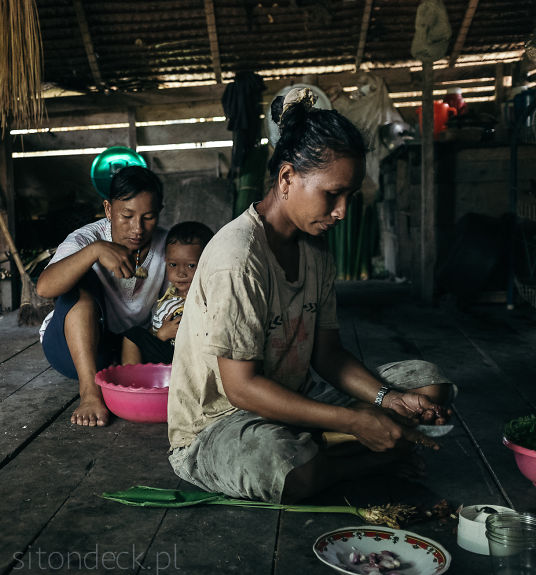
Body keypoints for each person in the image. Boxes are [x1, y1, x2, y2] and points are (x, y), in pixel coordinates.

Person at [166, 88, 454, 504]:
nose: (342, 211)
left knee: (428, 386)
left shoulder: (315, 250)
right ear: (287, 179)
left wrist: (387, 398)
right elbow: (242, 390)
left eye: (349, 196)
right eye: (332, 194)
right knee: (282, 465)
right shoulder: (238, 257)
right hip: (221, 425)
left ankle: (338, 449)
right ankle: (358, 457)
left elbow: (328, 354)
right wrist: (352, 420)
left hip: (296, 403)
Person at [37, 165, 168, 427]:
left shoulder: (167, 245)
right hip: (75, 349)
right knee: (79, 288)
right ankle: (89, 393)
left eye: (148, 217)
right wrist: (94, 251)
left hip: (131, 352)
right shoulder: (87, 238)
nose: (137, 228)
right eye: (127, 216)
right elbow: (44, 288)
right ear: (108, 209)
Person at [120, 221, 214, 365]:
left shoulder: (206, 299)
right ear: (166, 261)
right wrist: (161, 335)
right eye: (173, 265)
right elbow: (154, 331)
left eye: (191, 265)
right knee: (133, 335)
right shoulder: (168, 298)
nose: (180, 273)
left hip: (193, 360)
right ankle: (133, 376)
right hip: (166, 356)